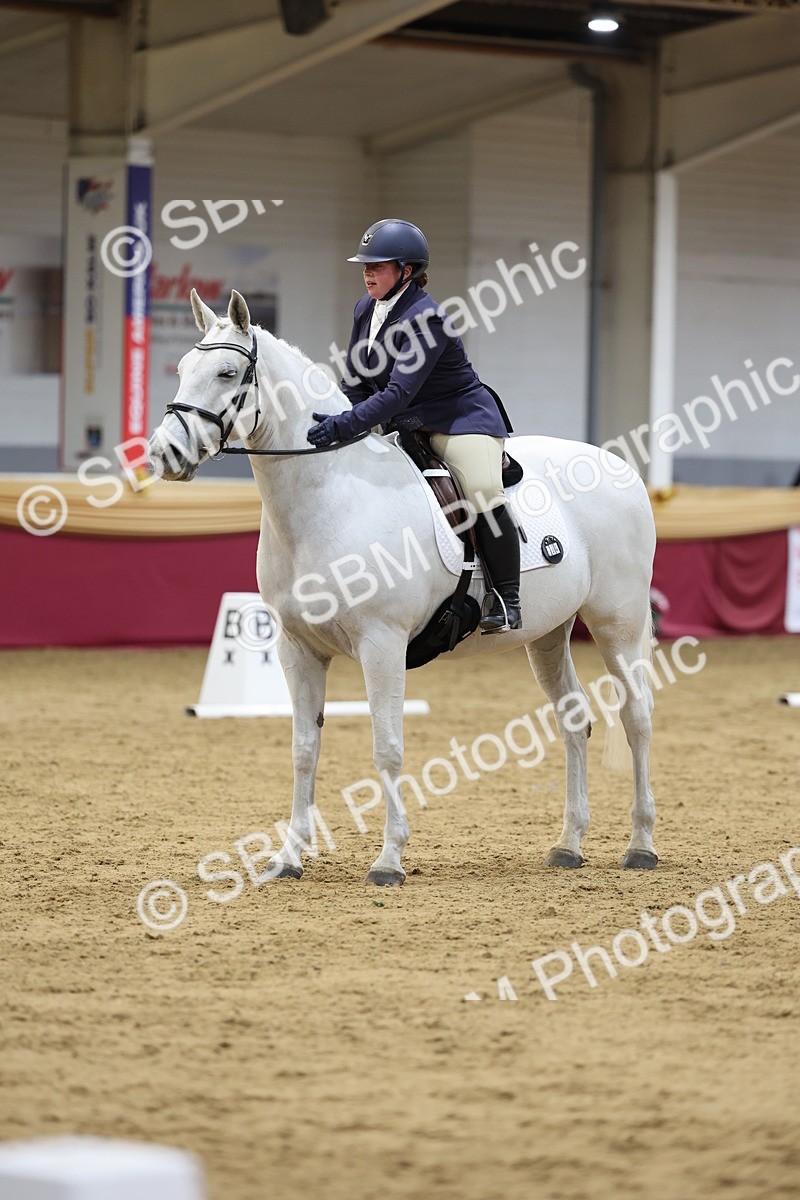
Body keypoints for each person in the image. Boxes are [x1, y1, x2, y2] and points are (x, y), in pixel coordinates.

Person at [307, 218, 521, 634]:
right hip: (405, 424)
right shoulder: (364, 308)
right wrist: (338, 417)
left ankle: (508, 597)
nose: (367, 272)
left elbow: (396, 395)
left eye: (378, 265)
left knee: (480, 489)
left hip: (457, 420)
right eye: (365, 265)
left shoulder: (428, 319)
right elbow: (356, 381)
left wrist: (343, 427)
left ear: (406, 271)